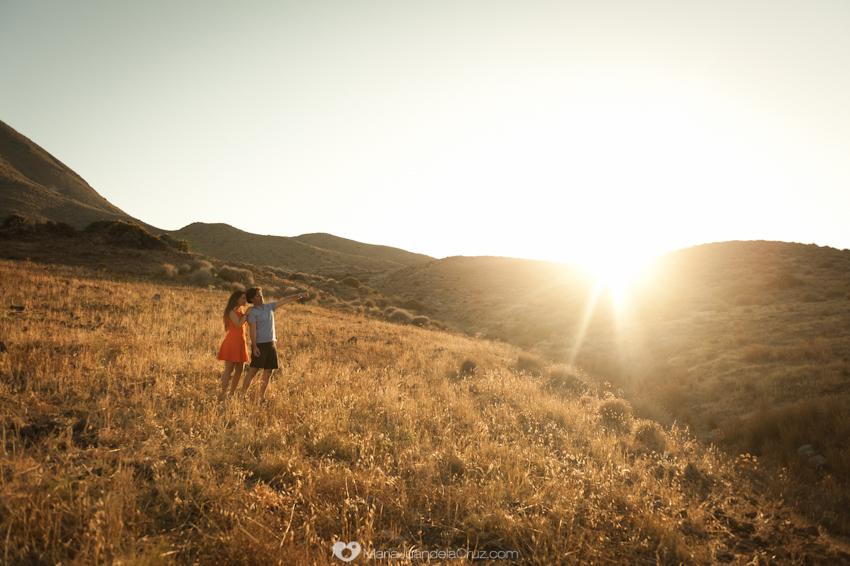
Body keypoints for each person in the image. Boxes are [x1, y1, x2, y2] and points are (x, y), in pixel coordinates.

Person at [240, 286, 307, 402]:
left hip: (271, 343)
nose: (261, 297)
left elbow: (284, 300)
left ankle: (260, 397)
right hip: (260, 344)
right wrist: (254, 346)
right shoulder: (253, 312)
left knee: (269, 371)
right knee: (253, 371)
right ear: (252, 299)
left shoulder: (269, 307)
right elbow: (252, 331)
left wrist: (299, 295)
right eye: (257, 295)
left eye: (261, 294)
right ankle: (241, 395)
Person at [216, 290, 251, 400]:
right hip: (232, 343)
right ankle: (222, 393)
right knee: (229, 370)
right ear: (237, 299)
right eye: (243, 298)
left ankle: (231, 394)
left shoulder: (241, 310)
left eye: (246, 298)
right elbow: (238, 324)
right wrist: (246, 314)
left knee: (240, 369)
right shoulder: (231, 311)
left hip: (241, 342)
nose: (246, 300)